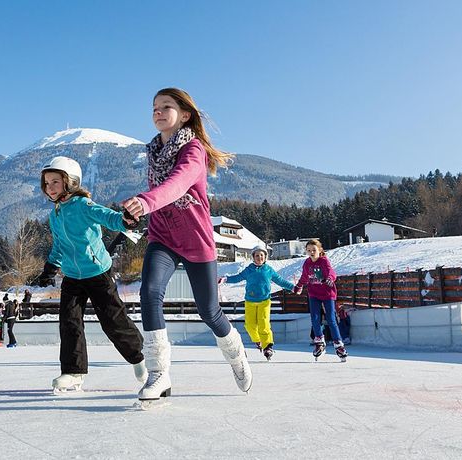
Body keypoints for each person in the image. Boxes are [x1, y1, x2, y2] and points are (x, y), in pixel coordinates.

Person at [122, 87, 252, 403]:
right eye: (154, 107)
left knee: (209, 312)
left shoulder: (194, 152)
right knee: (150, 292)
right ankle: (158, 374)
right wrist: (136, 212)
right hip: (163, 238)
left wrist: (145, 200)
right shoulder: (154, 153)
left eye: (166, 106)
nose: (158, 112)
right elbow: (162, 194)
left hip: (196, 241)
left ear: (185, 114)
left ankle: (236, 353)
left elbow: (176, 185)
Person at [37, 155, 146, 393]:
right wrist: (51, 266)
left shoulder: (83, 206)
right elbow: (59, 244)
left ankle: (138, 356)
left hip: (97, 273)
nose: (50, 187)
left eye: (55, 182)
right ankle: (73, 373)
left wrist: (126, 220)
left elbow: (109, 217)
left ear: (70, 182)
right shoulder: (55, 214)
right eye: (46, 183)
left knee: (112, 322)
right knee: (69, 322)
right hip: (72, 277)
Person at [219, 244, 295, 360]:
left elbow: (280, 281)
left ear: (265, 257)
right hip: (250, 301)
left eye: (262, 255)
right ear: (253, 257)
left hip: (264, 301)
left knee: (263, 324)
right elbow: (237, 277)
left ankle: (268, 346)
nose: (259, 257)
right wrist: (225, 279)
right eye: (257, 255)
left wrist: (292, 287)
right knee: (250, 326)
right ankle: (257, 340)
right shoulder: (249, 270)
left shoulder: (268, 270)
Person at [295, 239, 348, 362]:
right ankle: (319, 341)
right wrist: (299, 285)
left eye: (314, 250)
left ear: (319, 250)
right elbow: (304, 276)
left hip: (328, 294)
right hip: (314, 294)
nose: (311, 252)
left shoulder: (324, 261)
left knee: (331, 318)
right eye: (309, 250)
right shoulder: (307, 263)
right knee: (314, 317)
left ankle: (338, 344)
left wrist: (330, 278)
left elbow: (331, 272)